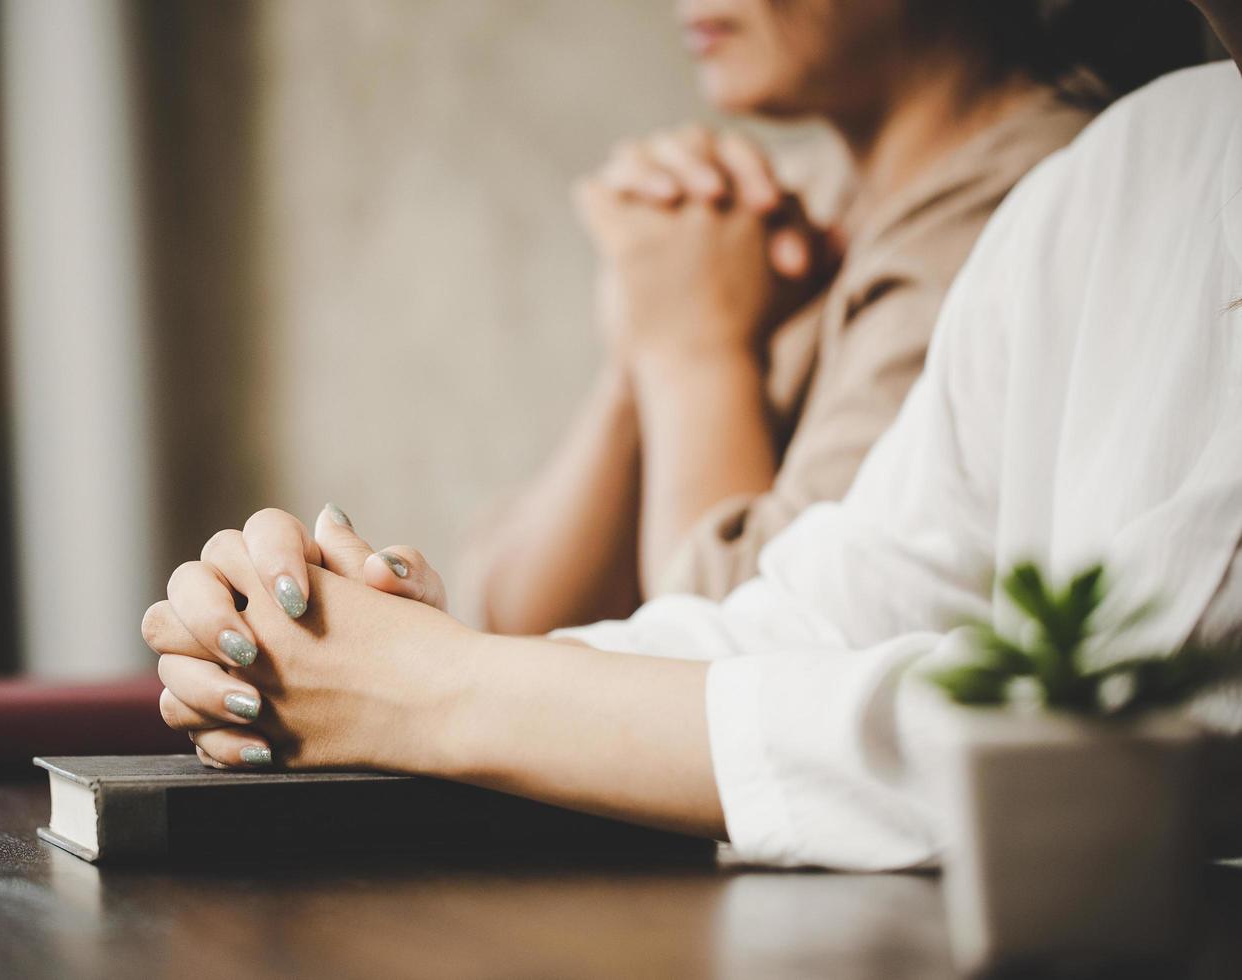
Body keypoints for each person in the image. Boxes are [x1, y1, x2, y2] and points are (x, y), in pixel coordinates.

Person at [142, 5, 1242, 869]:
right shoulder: (1134, 165)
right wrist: (364, 637)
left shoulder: (1008, 193)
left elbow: (1121, 740)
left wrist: (439, 690)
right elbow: (798, 613)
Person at [467, 1, 1190, 634]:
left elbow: (745, 656)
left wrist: (693, 355)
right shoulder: (794, 196)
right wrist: (643, 353)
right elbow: (510, 617)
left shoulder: (1029, 207)